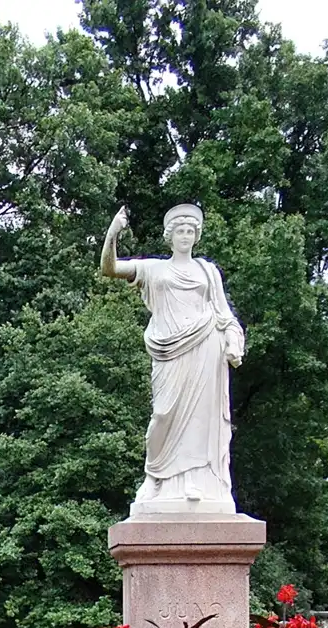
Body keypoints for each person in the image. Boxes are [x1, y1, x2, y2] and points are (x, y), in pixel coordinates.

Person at [100, 203, 246, 515]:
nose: (185, 236)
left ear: (196, 236)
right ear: (170, 236)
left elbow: (224, 314)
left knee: (201, 418)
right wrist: (113, 234)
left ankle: (197, 481)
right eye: (179, 231)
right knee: (164, 415)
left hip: (206, 345)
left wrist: (233, 340)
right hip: (169, 350)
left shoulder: (208, 271)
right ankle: (155, 476)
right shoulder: (155, 268)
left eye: (190, 231)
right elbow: (110, 268)